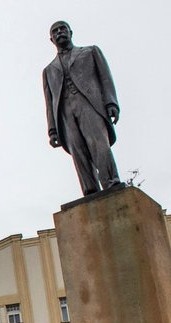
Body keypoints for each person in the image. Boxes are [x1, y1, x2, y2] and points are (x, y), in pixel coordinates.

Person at [42, 20, 121, 196]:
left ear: (71, 32)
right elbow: (49, 102)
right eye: (55, 31)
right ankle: (89, 189)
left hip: (89, 104)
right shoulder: (48, 70)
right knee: (78, 151)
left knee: (99, 143)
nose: (60, 32)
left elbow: (105, 78)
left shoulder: (91, 52)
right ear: (51, 39)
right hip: (65, 113)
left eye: (63, 29)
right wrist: (52, 130)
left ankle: (111, 181)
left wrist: (111, 103)